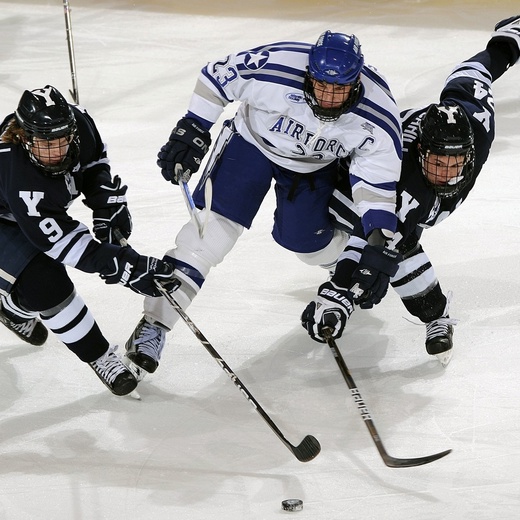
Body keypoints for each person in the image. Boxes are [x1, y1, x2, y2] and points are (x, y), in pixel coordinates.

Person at [124, 30, 403, 376]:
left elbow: (376, 184)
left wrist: (373, 244)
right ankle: (155, 324)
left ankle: (342, 261)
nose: (329, 97)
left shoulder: (378, 112)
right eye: (321, 85)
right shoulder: (277, 65)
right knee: (211, 234)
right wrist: (193, 126)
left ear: (357, 81)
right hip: (250, 144)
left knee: (305, 242)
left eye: (340, 89)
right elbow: (216, 76)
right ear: (308, 74)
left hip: (312, 168)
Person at [301, 16, 520, 366]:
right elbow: (375, 234)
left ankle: (433, 314)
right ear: (421, 152)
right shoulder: (402, 174)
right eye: (438, 163)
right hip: (354, 180)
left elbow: (475, 72)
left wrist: (510, 38)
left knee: (395, 240)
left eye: (455, 163)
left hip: (406, 193)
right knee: (389, 239)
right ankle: (436, 315)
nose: (447, 174)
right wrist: (339, 293)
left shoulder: (476, 121)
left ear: (470, 152)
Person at [0, 85, 178, 396]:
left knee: (34, 292)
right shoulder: (19, 172)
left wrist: (104, 205)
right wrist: (125, 266)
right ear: (26, 138)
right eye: (45, 143)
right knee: (47, 284)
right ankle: (101, 357)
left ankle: (14, 307)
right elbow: (64, 243)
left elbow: (94, 164)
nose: (56, 151)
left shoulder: (79, 123)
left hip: (30, 213)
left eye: (62, 140)